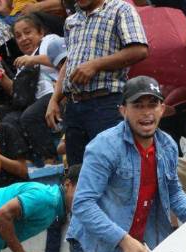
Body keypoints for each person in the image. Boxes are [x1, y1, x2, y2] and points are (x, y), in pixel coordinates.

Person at [67, 77, 186, 252]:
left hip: (135, 248)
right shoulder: (104, 146)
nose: (146, 112)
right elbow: (82, 205)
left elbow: (174, 193)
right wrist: (123, 240)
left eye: (152, 104)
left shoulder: (167, 145)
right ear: (123, 110)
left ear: (162, 109)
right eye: (138, 106)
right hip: (94, 251)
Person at [45, 0, 148, 165]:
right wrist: (54, 99)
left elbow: (140, 50)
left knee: (113, 168)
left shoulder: (121, 9)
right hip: (74, 107)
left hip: (106, 102)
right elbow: (69, 62)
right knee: (78, 173)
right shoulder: (71, 20)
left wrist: (96, 64)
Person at [2, 16, 66, 164]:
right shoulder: (23, 61)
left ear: (40, 32)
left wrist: (33, 60)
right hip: (36, 101)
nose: (23, 38)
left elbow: (65, 60)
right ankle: (26, 160)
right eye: (18, 36)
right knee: (9, 119)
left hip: (57, 93)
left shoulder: (50, 42)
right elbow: (17, 93)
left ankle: (49, 159)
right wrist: (2, 77)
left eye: (27, 32)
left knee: (30, 116)